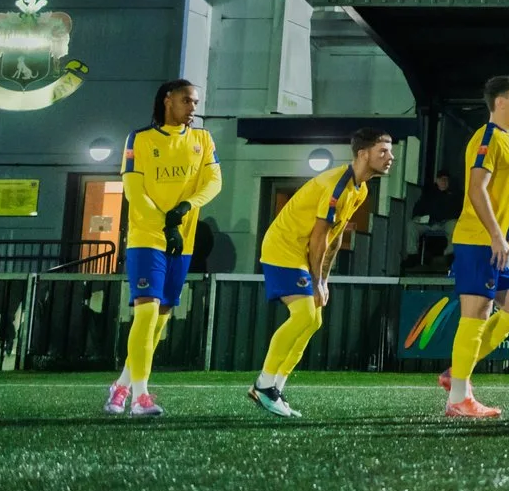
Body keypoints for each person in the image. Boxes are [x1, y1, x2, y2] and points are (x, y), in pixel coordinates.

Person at [250, 127, 394, 417]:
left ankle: (275, 388)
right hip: (284, 248)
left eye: (390, 152)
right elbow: (319, 238)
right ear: (363, 154)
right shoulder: (337, 186)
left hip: (301, 253)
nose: (390, 157)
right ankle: (263, 385)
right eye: (383, 151)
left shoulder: (361, 189)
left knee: (313, 320)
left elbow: (336, 235)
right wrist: (316, 281)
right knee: (303, 314)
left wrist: (324, 280)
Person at [107, 79, 222, 418]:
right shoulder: (140, 138)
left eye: (196, 102)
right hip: (147, 239)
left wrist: (186, 207)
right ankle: (141, 397)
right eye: (187, 101)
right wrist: (164, 225)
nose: (193, 108)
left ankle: (122, 385)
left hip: (182, 242)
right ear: (168, 100)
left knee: (159, 320)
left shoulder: (203, 139)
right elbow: (133, 189)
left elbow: (214, 181)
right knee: (145, 311)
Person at [442, 77, 509, 419]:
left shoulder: (505, 140)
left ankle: (457, 373)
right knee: (476, 313)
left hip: (494, 241)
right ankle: (458, 399)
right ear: (499, 102)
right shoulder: (487, 137)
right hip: (478, 239)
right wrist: (497, 235)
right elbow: (476, 189)